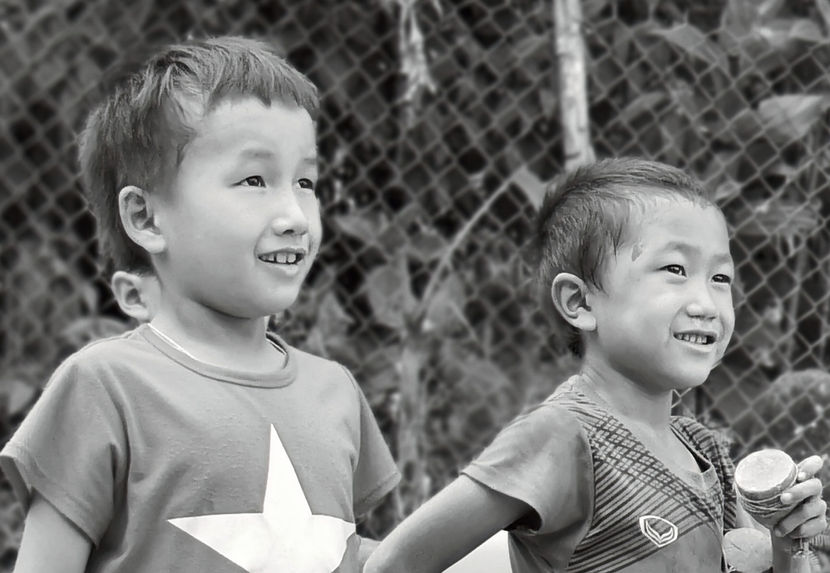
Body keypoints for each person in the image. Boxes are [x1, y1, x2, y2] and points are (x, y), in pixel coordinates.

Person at [1, 36, 400, 573]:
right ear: (145, 218)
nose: (295, 217)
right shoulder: (104, 387)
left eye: (305, 181)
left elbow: (331, 552)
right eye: (254, 180)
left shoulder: (336, 391)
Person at [364, 157, 827, 573]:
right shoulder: (564, 438)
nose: (706, 304)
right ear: (580, 302)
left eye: (720, 277)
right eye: (675, 270)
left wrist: (788, 543)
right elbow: (395, 563)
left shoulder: (705, 453)